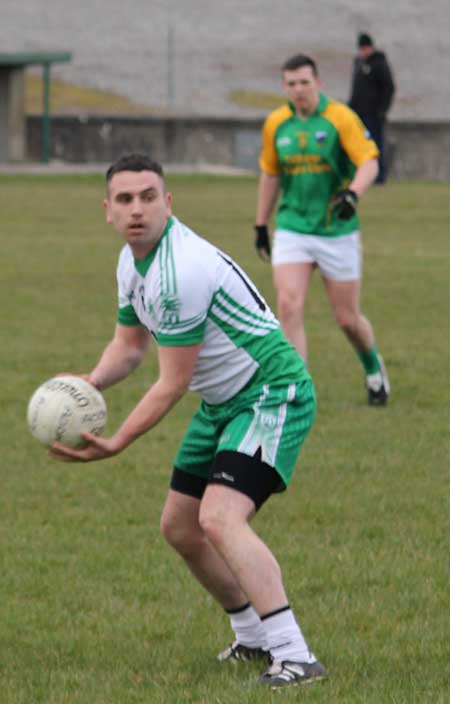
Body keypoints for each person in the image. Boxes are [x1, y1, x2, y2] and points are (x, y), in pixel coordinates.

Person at [50, 153, 327, 689]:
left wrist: (118, 441)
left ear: (168, 203)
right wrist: (87, 386)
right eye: (125, 200)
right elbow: (128, 348)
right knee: (180, 525)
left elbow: (172, 381)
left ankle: (295, 655)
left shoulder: (180, 269)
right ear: (107, 210)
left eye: (149, 197)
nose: (137, 209)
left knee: (220, 518)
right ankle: (252, 637)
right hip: (223, 402)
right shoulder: (132, 263)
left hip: (271, 392)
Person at [255, 53, 390, 406]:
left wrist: (352, 194)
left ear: (318, 83)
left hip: (336, 230)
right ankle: (297, 388)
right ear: (284, 87)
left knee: (347, 319)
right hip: (292, 227)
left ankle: (374, 370)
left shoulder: (340, 117)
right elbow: (270, 174)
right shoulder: (276, 124)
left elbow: (369, 163)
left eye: (304, 82)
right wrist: (260, 223)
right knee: (288, 305)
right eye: (291, 83)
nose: (298, 89)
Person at [348, 33, 395, 184]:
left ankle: (379, 176)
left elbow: (389, 87)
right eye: (361, 49)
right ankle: (361, 175)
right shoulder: (358, 63)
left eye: (365, 48)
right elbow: (356, 88)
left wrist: (383, 110)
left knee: (376, 145)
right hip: (358, 112)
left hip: (374, 114)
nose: (363, 52)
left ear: (371, 47)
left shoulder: (379, 63)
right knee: (359, 145)